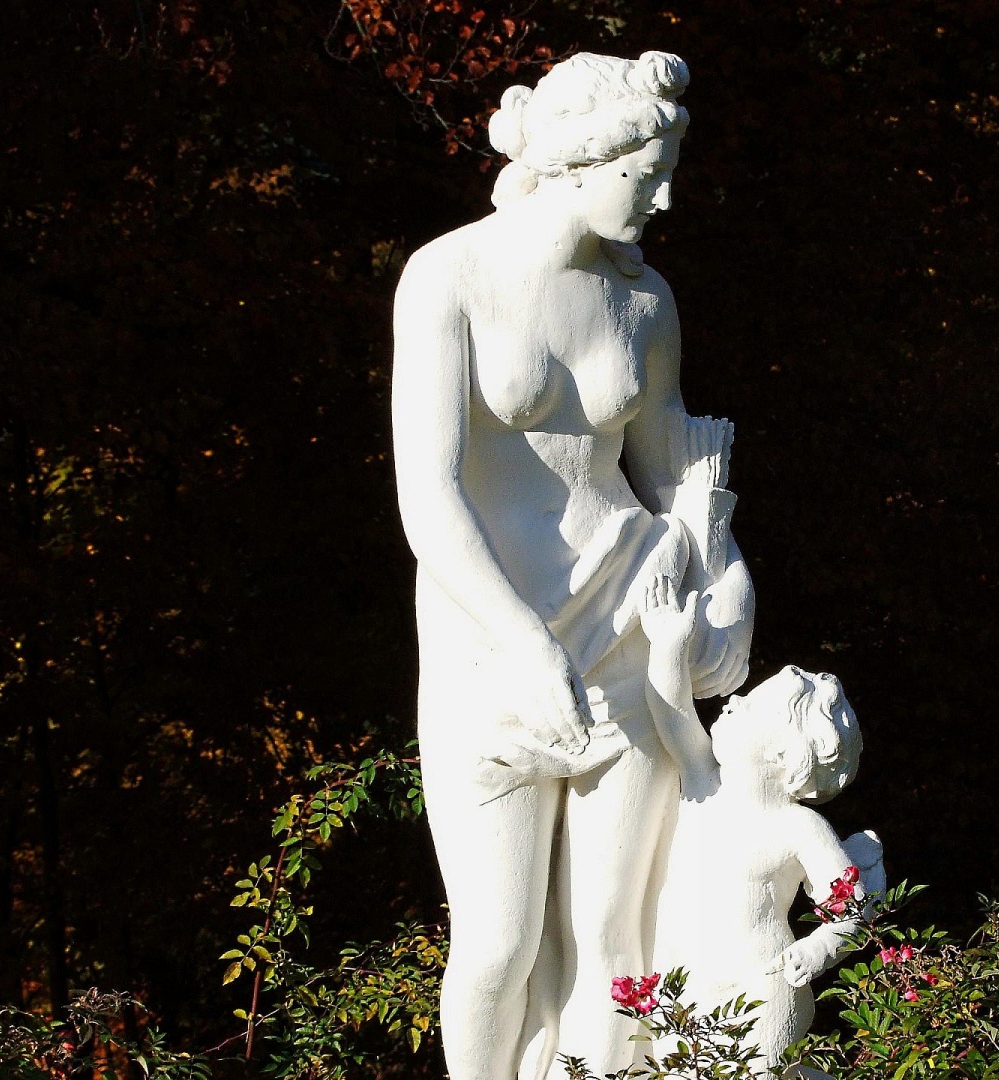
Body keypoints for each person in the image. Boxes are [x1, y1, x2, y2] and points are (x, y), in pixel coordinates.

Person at [390, 50, 753, 1080]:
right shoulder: (448, 277)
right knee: (498, 946)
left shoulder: (646, 304)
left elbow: (678, 471)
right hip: (488, 640)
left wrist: (724, 582)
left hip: (627, 617)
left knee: (615, 939)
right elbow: (431, 495)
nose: (668, 196)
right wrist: (521, 645)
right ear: (584, 160)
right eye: (651, 174)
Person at [633, 606, 883, 1079]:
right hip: (682, 986)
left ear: (783, 752)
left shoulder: (797, 826)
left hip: (763, 985)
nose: (731, 703)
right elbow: (672, 713)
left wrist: (819, 949)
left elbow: (853, 908)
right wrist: (669, 645)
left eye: (748, 706)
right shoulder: (703, 780)